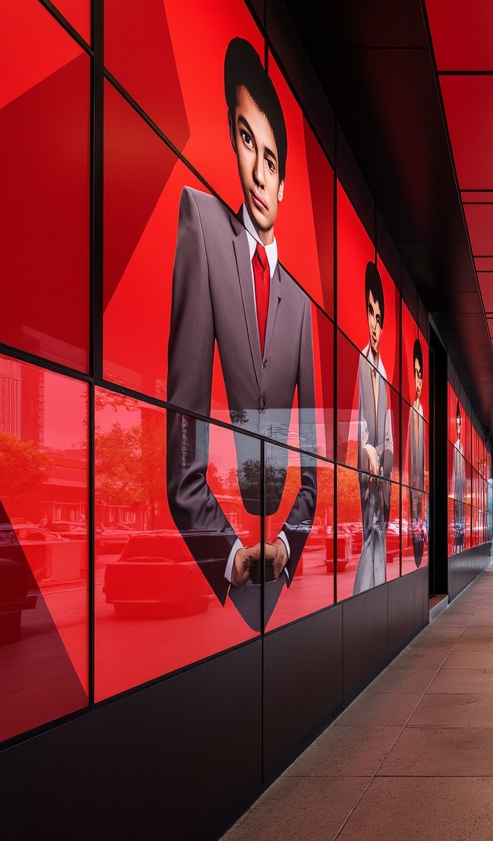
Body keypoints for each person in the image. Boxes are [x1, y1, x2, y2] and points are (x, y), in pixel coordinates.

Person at [166, 37, 317, 631]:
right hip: (228, 541)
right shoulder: (202, 226)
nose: (257, 170)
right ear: (232, 140)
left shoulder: (301, 305)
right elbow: (182, 435)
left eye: (272, 158)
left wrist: (285, 544)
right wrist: (231, 552)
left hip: (277, 545)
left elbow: (315, 456)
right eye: (247, 139)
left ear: (284, 184)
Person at [353, 261, 395, 594]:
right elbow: (347, 417)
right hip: (363, 479)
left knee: (377, 540)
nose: (375, 325)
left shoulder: (385, 375)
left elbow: (390, 438)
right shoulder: (358, 360)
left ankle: (375, 593)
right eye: (371, 313)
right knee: (369, 541)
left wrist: (385, 460)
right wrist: (365, 446)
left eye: (380, 318)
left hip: (379, 482)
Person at [407, 338, 426, 566]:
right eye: (416, 373)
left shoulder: (420, 412)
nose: (418, 379)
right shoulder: (412, 411)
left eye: (421, 374)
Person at [451, 404, 466, 553]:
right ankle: (457, 543)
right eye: (457, 423)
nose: (459, 427)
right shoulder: (456, 446)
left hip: (461, 492)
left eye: (460, 423)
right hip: (456, 491)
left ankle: (460, 543)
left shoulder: (461, 447)